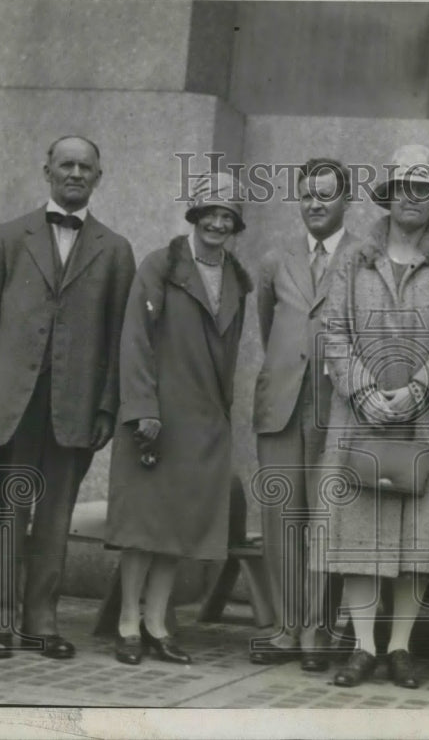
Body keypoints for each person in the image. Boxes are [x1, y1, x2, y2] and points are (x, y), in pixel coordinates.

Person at [0, 135, 136, 659]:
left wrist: (107, 407)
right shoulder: (9, 236)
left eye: (86, 167)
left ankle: (41, 623)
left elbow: (119, 338)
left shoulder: (116, 249)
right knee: (6, 518)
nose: (76, 173)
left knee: (55, 518)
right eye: (67, 164)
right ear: (48, 171)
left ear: (99, 178)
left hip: (74, 408)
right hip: (12, 405)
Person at [316, 144, 429, 689]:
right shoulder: (354, 260)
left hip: (427, 418)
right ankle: (363, 647)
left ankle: (402, 647)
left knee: (416, 535)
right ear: (389, 195)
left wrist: (419, 391)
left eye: (424, 188)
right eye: (404, 186)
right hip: (361, 416)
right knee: (363, 531)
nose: (414, 197)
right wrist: (362, 391)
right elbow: (333, 332)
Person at [104, 172, 252, 665]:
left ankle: (157, 623)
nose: (217, 221)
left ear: (235, 224)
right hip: (156, 419)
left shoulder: (236, 279)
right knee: (144, 526)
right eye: (209, 211)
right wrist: (142, 410)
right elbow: (136, 341)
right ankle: (127, 622)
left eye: (226, 215)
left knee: (178, 529)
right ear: (194, 215)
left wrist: (220, 422)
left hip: (202, 424)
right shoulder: (159, 265)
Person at [250, 158, 360, 671]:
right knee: (281, 517)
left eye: (326, 194)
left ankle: (319, 630)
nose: (315, 203)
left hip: (337, 404)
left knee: (326, 518)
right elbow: (268, 321)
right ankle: (285, 628)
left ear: (346, 200)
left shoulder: (365, 257)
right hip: (282, 403)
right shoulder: (275, 259)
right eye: (307, 194)